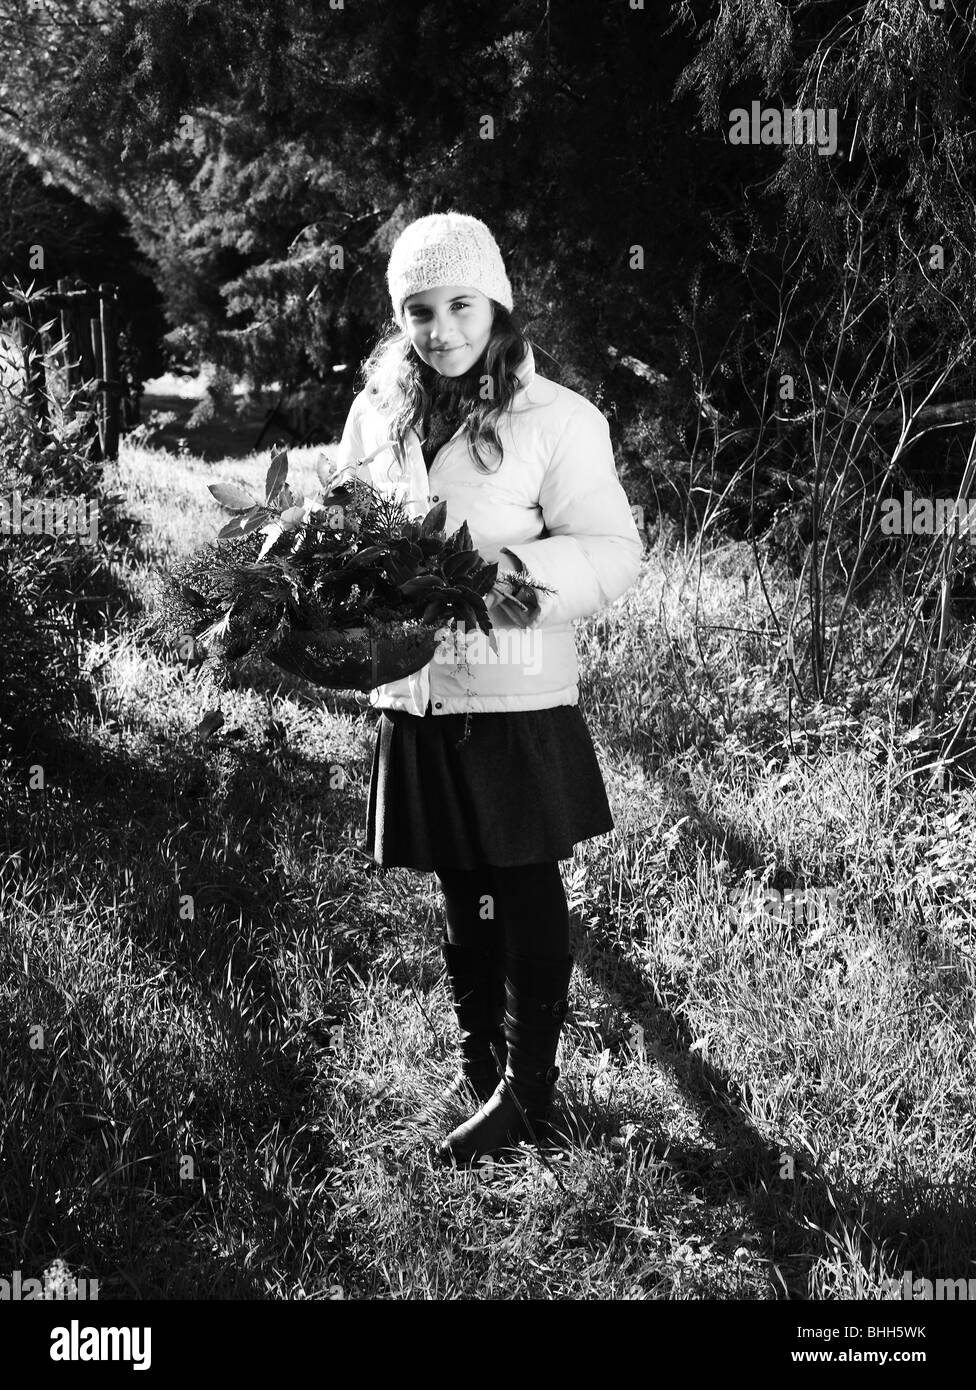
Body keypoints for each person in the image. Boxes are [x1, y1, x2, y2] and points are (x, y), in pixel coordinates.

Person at [334, 211, 643, 1164]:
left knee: (520, 878)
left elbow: (614, 552)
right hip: (419, 686)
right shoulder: (377, 413)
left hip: (513, 695)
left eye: (461, 303)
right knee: (460, 883)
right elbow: (351, 525)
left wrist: (519, 575)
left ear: (497, 303)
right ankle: (482, 1070)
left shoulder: (559, 419)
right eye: (419, 310)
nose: (442, 327)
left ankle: (530, 1091)